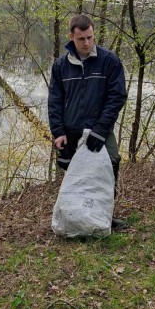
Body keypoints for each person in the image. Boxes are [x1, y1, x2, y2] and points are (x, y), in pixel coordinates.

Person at [48, 14, 127, 228]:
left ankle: (103, 218)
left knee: (110, 164)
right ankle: (74, 220)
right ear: (71, 37)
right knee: (74, 174)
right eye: (81, 39)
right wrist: (58, 132)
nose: (87, 43)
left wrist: (101, 130)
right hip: (71, 130)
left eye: (90, 37)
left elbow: (117, 97)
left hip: (100, 128)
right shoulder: (60, 66)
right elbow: (55, 101)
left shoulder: (109, 61)